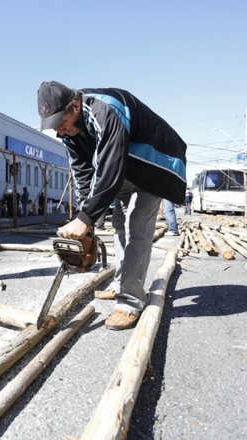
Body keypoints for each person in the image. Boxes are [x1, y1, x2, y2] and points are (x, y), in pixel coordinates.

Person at [37, 81, 186, 330]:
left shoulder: (105, 110)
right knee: (119, 224)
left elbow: (109, 168)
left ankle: (130, 302)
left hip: (155, 164)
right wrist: (88, 220)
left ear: (75, 106)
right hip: (127, 167)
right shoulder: (68, 131)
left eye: (61, 124)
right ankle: (121, 285)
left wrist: (85, 219)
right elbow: (84, 173)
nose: (59, 132)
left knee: (136, 225)